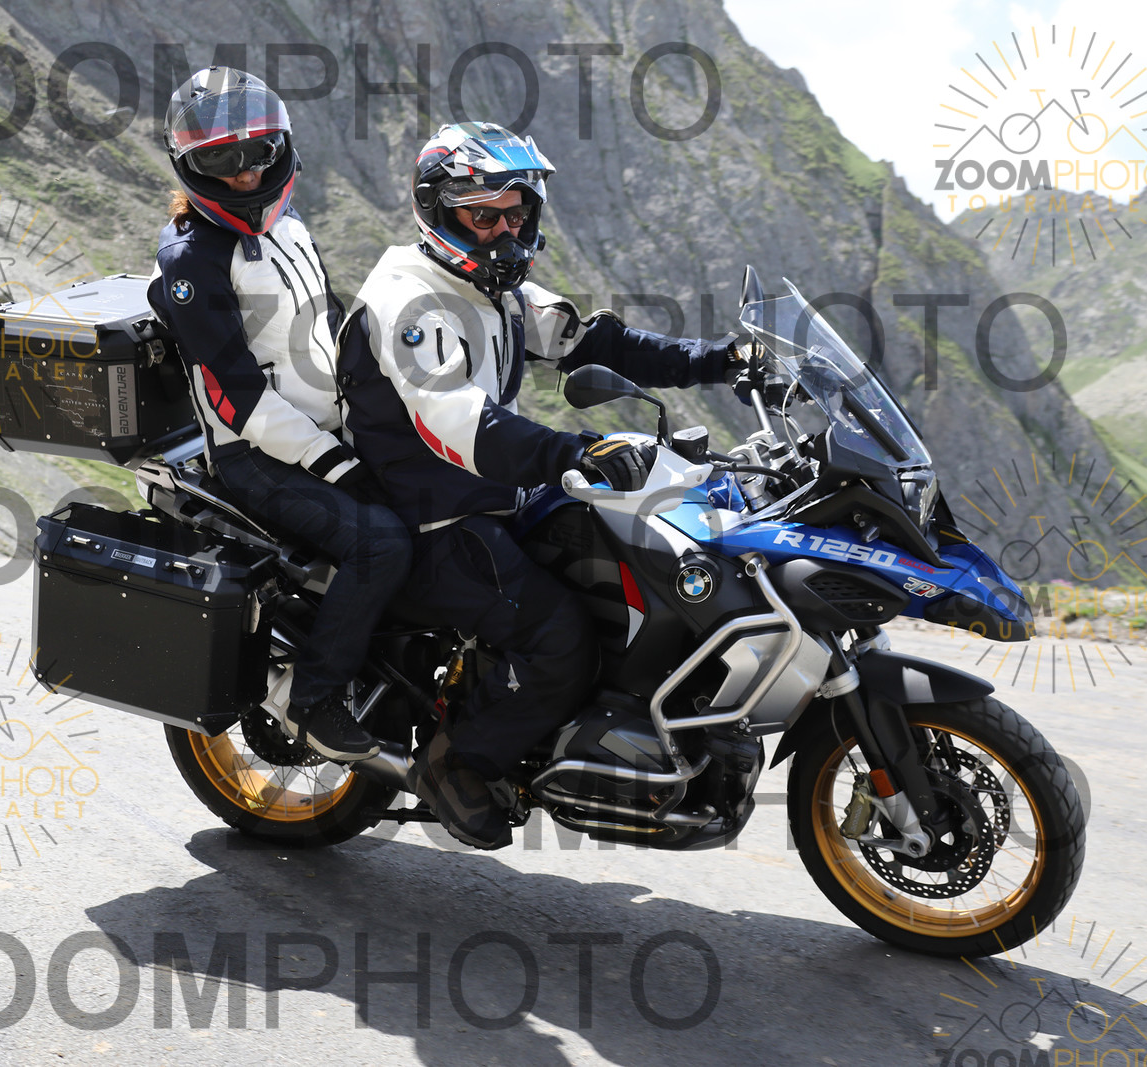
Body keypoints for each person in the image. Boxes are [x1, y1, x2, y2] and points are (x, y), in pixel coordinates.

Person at [337, 121, 740, 848]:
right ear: (439, 210)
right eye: (483, 216)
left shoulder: (494, 286)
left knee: (630, 563)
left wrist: (724, 360)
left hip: (493, 494)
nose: (504, 230)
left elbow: (601, 342)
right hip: (427, 511)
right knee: (557, 635)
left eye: (515, 214)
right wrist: (571, 452)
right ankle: (457, 763)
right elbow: (455, 422)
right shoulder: (411, 298)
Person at [147, 66, 410, 762]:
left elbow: (327, 323)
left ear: (282, 147)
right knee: (381, 542)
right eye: (220, 162)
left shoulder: (287, 225)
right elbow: (234, 396)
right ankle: (314, 702)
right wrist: (335, 461)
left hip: (328, 428)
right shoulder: (191, 258)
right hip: (255, 456)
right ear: (189, 166)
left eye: (258, 154)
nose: (243, 175)